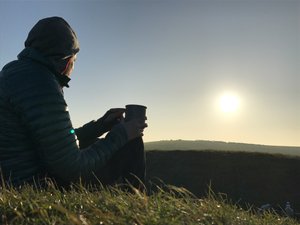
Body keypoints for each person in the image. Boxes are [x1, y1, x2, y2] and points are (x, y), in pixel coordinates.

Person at [0, 17, 147, 189]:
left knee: (104, 142)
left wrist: (99, 126)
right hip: (36, 184)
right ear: (67, 59)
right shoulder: (42, 84)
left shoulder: (16, 73)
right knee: (131, 143)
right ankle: (136, 210)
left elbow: (52, 141)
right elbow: (72, 167)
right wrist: (123, 133)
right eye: (74, 61)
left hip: (20, 176)